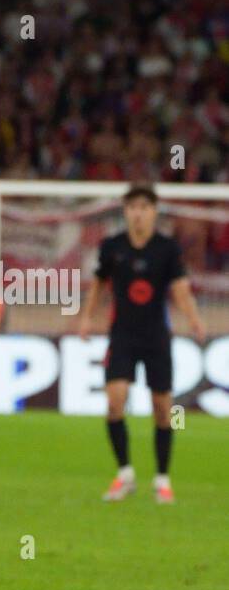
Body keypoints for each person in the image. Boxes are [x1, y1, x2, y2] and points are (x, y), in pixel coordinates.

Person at [76, 183, 205, 504]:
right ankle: (125, 474)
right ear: (126, 211)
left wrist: (193, 318)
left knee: (163, 409)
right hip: (121, 336)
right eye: (132, 207)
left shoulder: (167, 248)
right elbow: (99, 284)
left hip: (156, 337)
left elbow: (180, 288)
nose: (138, 213)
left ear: (154, 211)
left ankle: (162, 479)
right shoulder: (112, 246)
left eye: (144, 207)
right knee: (114, 403)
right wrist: (87, 317)